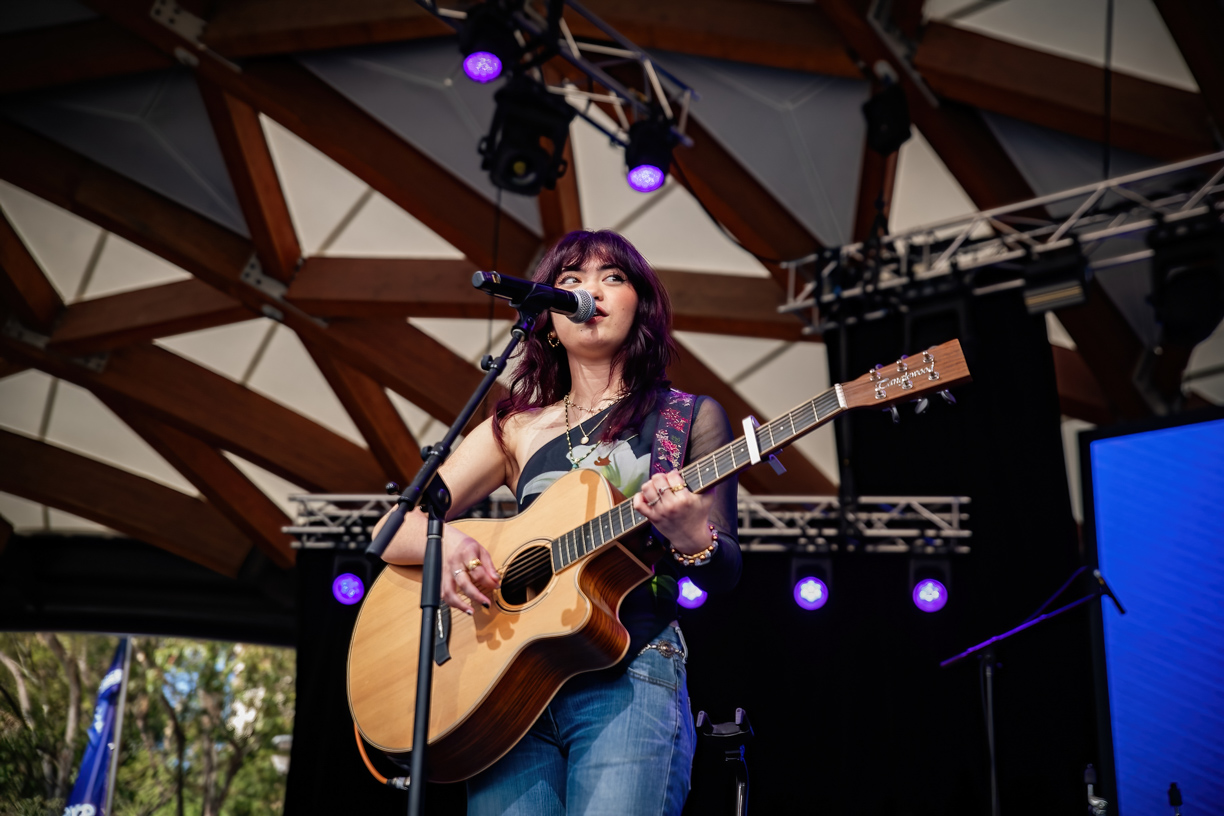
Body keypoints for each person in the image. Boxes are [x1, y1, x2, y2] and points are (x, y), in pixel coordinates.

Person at [378, 229, 741, 815]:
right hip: (508, 685)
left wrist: (691, 535)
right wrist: (448, 547)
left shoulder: (686, 417)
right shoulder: (515, 428)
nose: (589, 291)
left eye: (612, 277)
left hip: (629, 666)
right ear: (548, 318)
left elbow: (725, 570)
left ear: (641, 305)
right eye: (570, 281)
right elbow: (394, 527)